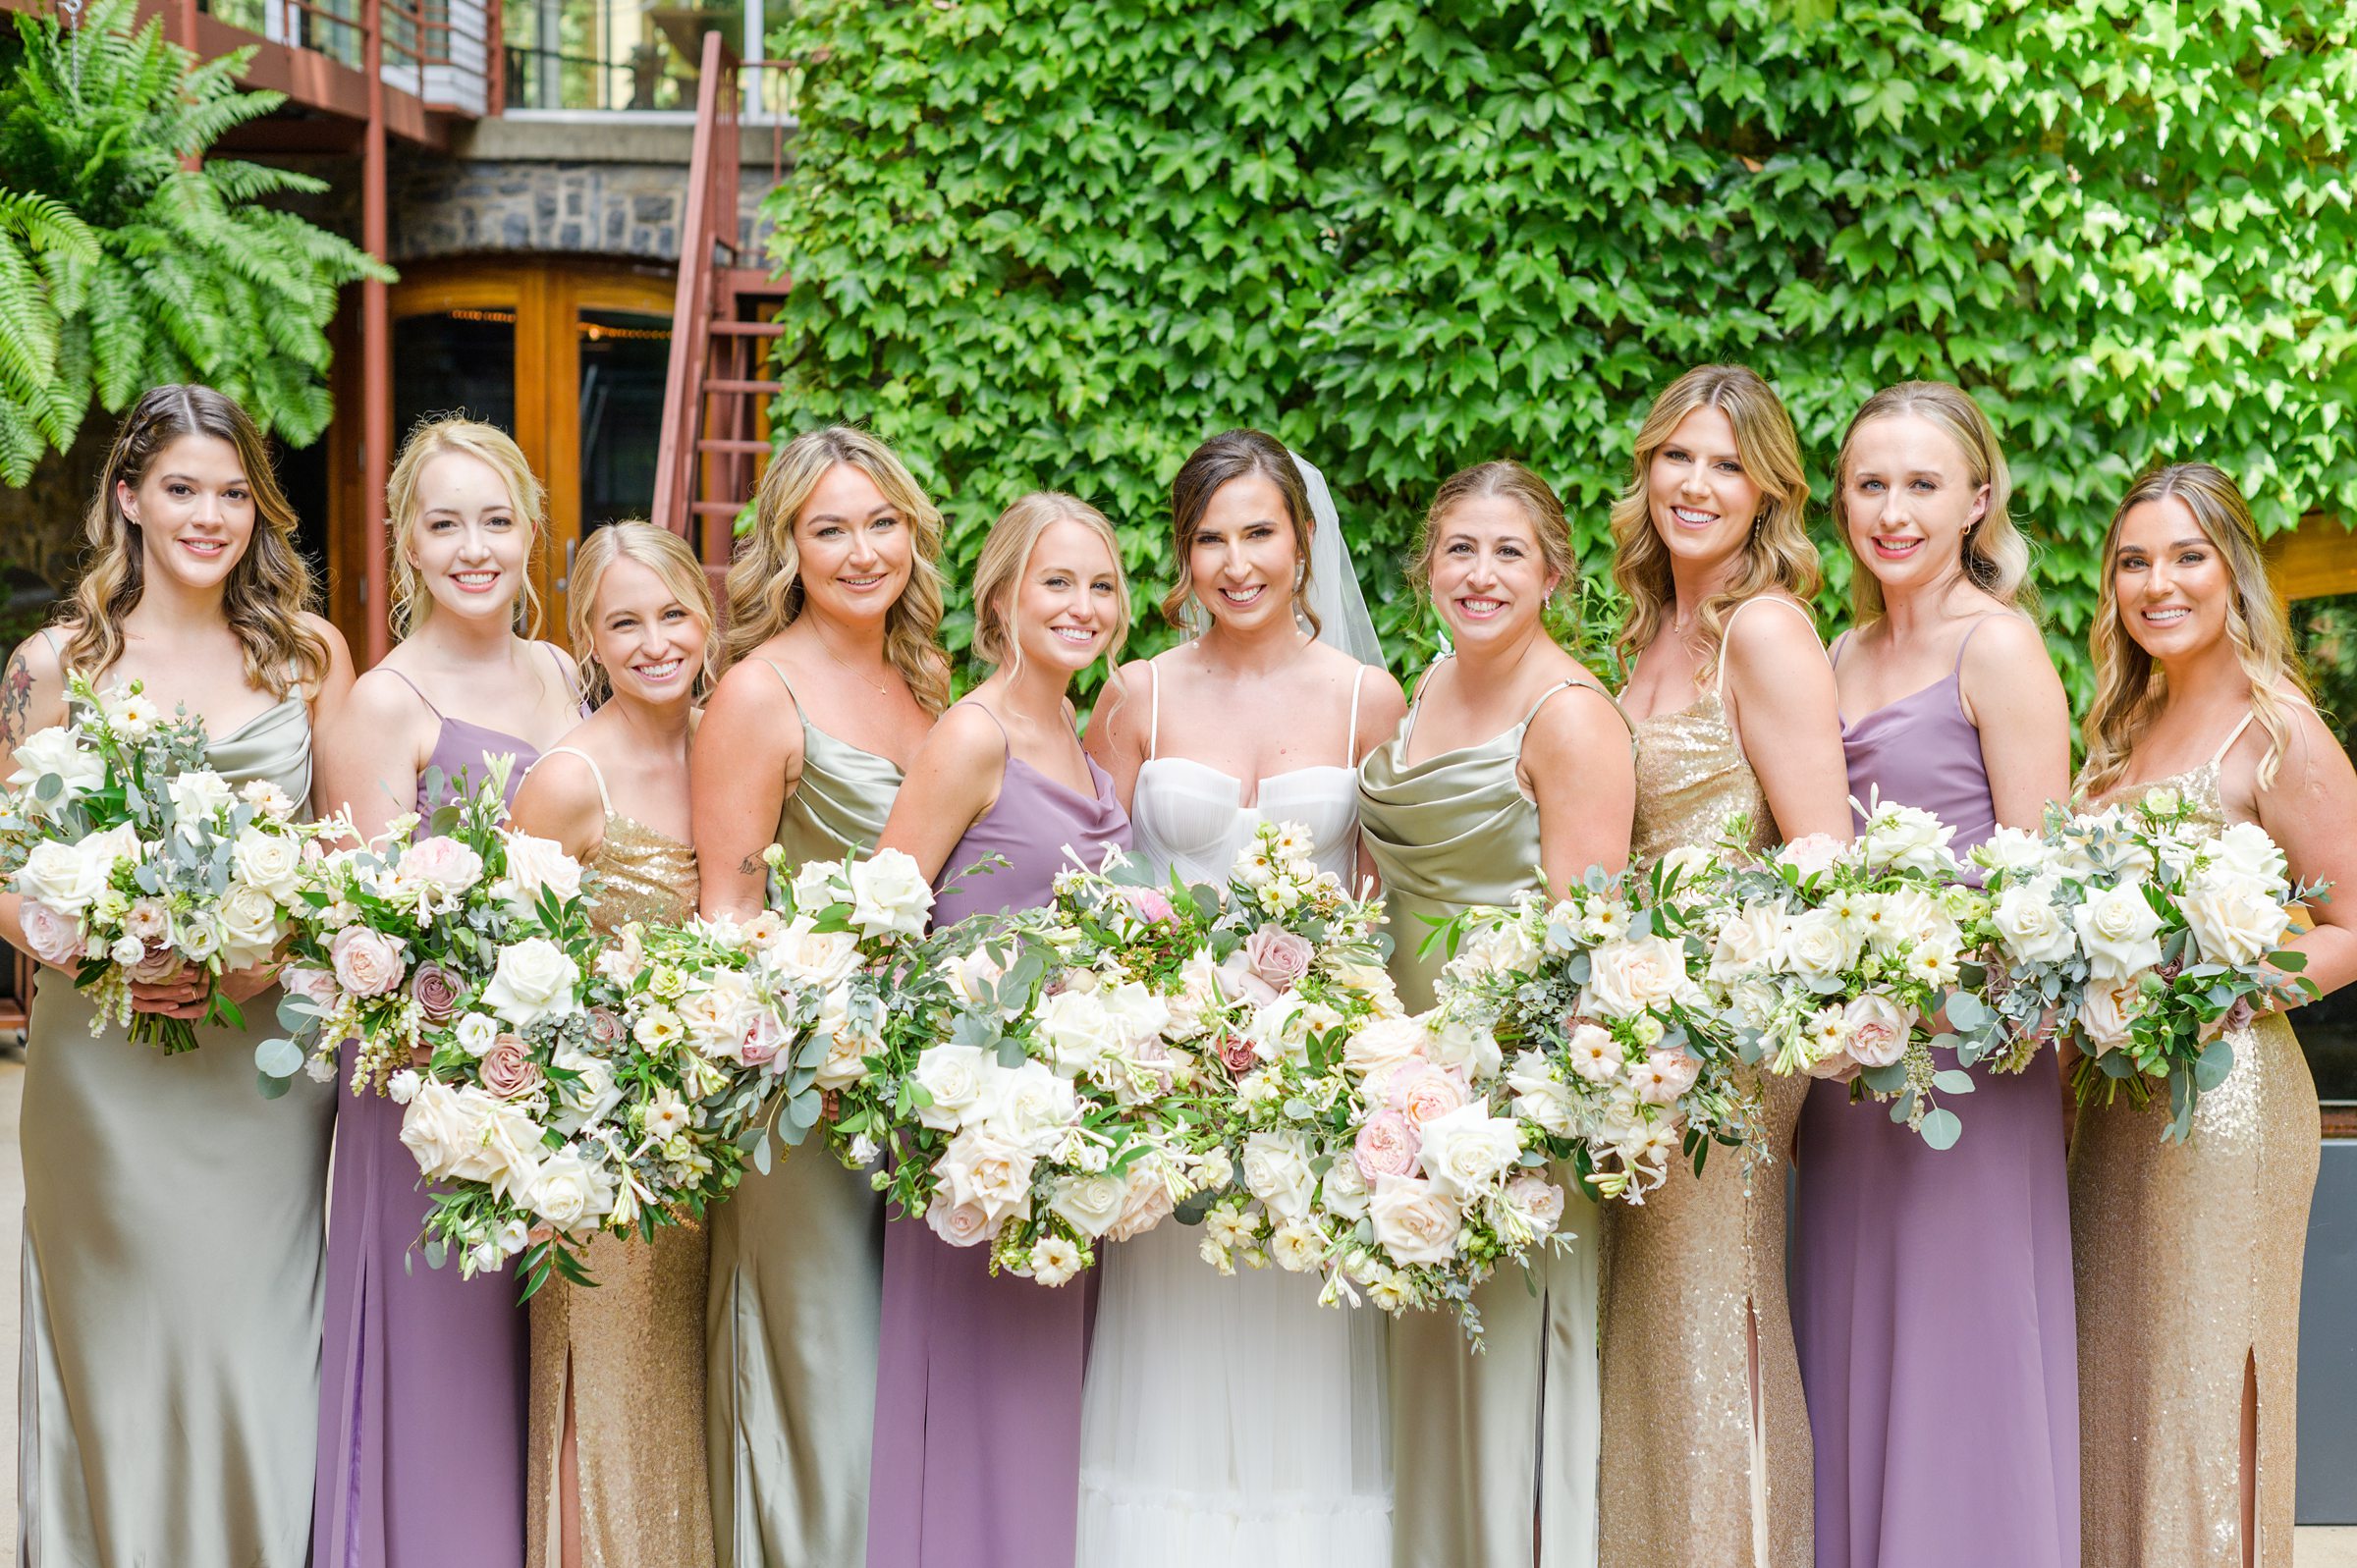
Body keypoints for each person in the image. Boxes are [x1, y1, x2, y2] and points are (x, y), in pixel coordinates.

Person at [5, 384, 353, 1568]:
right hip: (105, 1079)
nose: (210, 515)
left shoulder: (308, 654)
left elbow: (353, 864)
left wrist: (267, 952)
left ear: (260, 508)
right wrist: (96, 942)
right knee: (123, 1368)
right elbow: (3, 869)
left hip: (260, 1075)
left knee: (258, 1363)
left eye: (233, 493)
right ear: (130, 499)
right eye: (182, 489)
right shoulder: (55, 664)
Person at [1077, 430, 1405, 1565]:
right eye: (1209, 539)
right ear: (1183, 556)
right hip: (1169, 1093)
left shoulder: (1371, 698)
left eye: (1258, 532)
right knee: (1170, 1370)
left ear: (1304, 540)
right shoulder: (1136, 698)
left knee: (1301, 1371)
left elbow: (1380, 906)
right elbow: (1080, 889)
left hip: (1313, 1101)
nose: (1237, 562)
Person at [1789, 382, 2077, 1568]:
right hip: (1845, 1078)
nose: (1893, 510)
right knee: (1854, 1347)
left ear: (1977, 499)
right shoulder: (1833, 650)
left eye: (1921, 484)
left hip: (1969, 1069)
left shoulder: (1996, 646)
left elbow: (2049, 895)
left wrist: (1925, 975)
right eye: (1869, 484)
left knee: (1965, 1360)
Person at [2069, 462, 2357, 1568]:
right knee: (2122, 1382)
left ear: (2232, 570)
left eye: (2186, 556)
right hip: (2115, 1103)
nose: (2158, 583)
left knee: (2198, 1387)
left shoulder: (2276, 730)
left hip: (2227, 1103)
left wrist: (2205, 984)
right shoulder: (2118, 731)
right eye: (2134, 562)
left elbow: (2349, 924)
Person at [312, 416, 584, 1568]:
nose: (474, 546)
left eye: (495, 518)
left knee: (538, 1381)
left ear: (530, 530)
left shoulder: (565, 671)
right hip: (429, 1100)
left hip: (557, 1083)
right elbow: (364, 934)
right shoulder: (383, 701)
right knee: (439, 1385)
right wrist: (469, 1056)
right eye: (445, 523)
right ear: (408, 546)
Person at [1357, 460, 1635, 1568]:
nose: (1480, 574)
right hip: (1401, 1090)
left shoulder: (1569, 714)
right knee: (1426, 1375)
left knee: (1507, 1368)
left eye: (1509, 551)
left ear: (1554, 572)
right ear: (1428, 562)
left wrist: (1524, 1118)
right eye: (1460, 549)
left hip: (1511, 1099)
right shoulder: (1427, 686)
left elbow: (1587, 947)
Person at [1600, 364, 1851, 1568]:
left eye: (1726, 465)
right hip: (1626, 1040)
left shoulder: (1765, 629)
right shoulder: (1642, 630)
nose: (1696, 484)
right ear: (1646, 470)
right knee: (1645, 1332)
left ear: (1767, 494)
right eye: (1677, 458)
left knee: (1715, 1321)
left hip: (1725, 1045)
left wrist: (1724, 1011)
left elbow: (1825, 868)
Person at [690, 425, 946, 1567]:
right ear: (788, 546)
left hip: (918, 1104)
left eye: (881, 522)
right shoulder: (758, 692)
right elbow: (727, 923)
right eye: (829, 527)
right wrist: (812, 1056)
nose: (861, 550)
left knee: (906, 1408)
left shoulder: (926, 681)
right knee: (823, 1404)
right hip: (804, 1105)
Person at [863, 492, 1134, 1568]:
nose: (1082, 605)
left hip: (1065, 1140)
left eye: (1101, 584)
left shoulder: (1076, 730)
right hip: (968, 1142)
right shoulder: (972, 734)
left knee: (1045, 1420)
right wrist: (951, 1088)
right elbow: (883, 924)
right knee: (972, 1415)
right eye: (1055, 582)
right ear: (1002, 597)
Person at [511, 523, 718, 1568]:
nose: (654, 640)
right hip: (606, 1157)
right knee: (610, 1394)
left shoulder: (725, 748)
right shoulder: (566, 781)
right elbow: (509, 980)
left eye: (672, 612)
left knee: (691, 1401)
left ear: (707, 614)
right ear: (587, 639)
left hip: (716, 1148)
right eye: (623, 621)